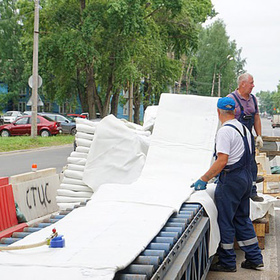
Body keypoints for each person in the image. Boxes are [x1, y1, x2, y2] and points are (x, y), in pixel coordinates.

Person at [191, 97, 264, 272]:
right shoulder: (244, 129)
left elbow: (222, 160)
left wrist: (204, 178)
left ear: (218, 112)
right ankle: (255, 258)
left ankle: (227, 262)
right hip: (246, 178)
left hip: (231, 180)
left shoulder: (224, 131)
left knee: (225, 220)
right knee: (242, 218)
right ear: (235, 111)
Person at [228, 73, 264, 202]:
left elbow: (256, 118)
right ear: (242, 84)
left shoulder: (253, 99)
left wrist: (258, 135)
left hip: (248, 137)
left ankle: (252, 192)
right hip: (236, 138)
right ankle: (238, 191)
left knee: (251, 163)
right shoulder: (231, 99)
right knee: (237, 164)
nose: (253, 85)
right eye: (251, 83)